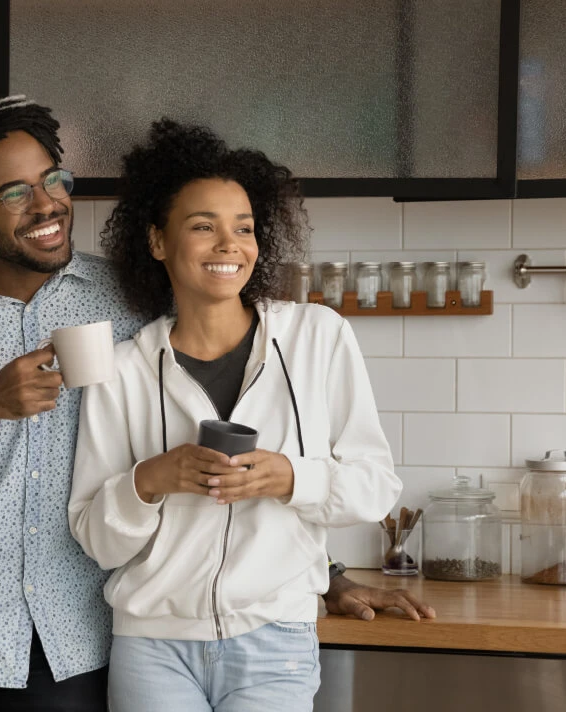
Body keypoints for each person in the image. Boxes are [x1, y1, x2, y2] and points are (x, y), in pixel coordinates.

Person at [0, 93, 433, 712]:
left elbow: (236, 422)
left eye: (52, 180)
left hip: (71, 640)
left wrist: (328, 575)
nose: (46, 204)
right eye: (14, 192)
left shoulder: (127, 300)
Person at [69, 119, 418, 712]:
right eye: (203, 227)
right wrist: (152, 480)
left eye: (244, 228)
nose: (229, 245)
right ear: (157, 242)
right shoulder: (123, 369)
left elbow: (375, 487)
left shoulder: (318, 337)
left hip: (275, 639)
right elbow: (97, 540)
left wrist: (290, 477)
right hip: (153, 646)